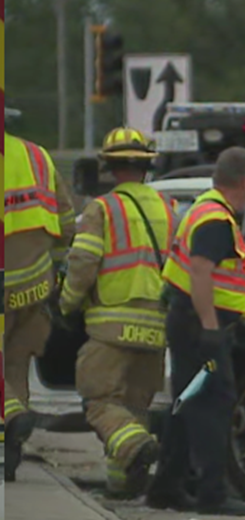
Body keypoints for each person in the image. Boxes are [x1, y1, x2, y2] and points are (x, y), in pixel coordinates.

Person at [59, 127, 178, 498]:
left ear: (109, 168)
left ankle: (136, 447)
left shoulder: (102, 208)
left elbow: (83, 262)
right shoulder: (170, 208)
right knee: (133, 409)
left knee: (100, 402)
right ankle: (124, 484)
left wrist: (67, 303)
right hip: (156, 326)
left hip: (111, 324)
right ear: (147, 167)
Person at [147, 146, 245, 516]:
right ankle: (212, 493)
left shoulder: (202, 207)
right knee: (215, 403)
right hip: (200, 326)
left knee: (188, 401)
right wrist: (213, 327)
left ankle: (166, 487)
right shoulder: (216, 219)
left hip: (190, 320)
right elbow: (199, 270)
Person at [4, 124, 77, 480]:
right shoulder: (37, 156)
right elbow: (66, 222)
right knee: (16, 364)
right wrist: (56, 268)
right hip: (33, 283)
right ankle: (10, 451)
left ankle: (11, 414)